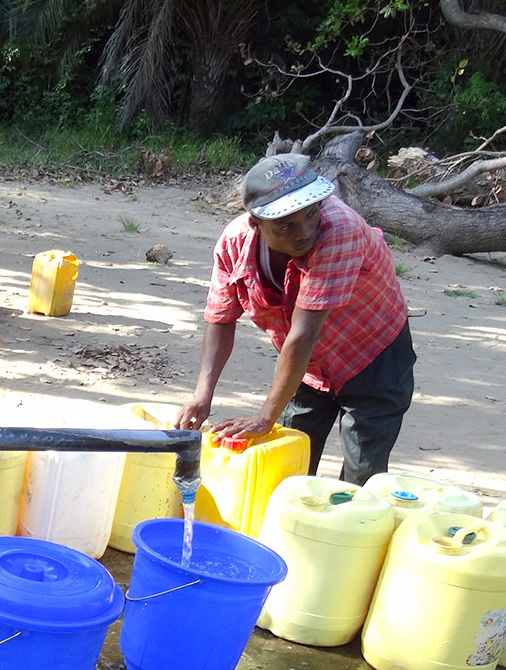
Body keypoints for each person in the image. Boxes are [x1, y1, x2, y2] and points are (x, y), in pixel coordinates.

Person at [176, 153, 416, 486]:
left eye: (311, 214)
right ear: (255, 224)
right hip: (308, 367)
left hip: (373, 354)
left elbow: (303, 335)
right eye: (285, 225)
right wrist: (202, 394)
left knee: (361, 478)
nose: (304, 232)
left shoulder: (338, 231)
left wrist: (265, 415)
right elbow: (220, 318)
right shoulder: (234, 243)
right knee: (290, 467)